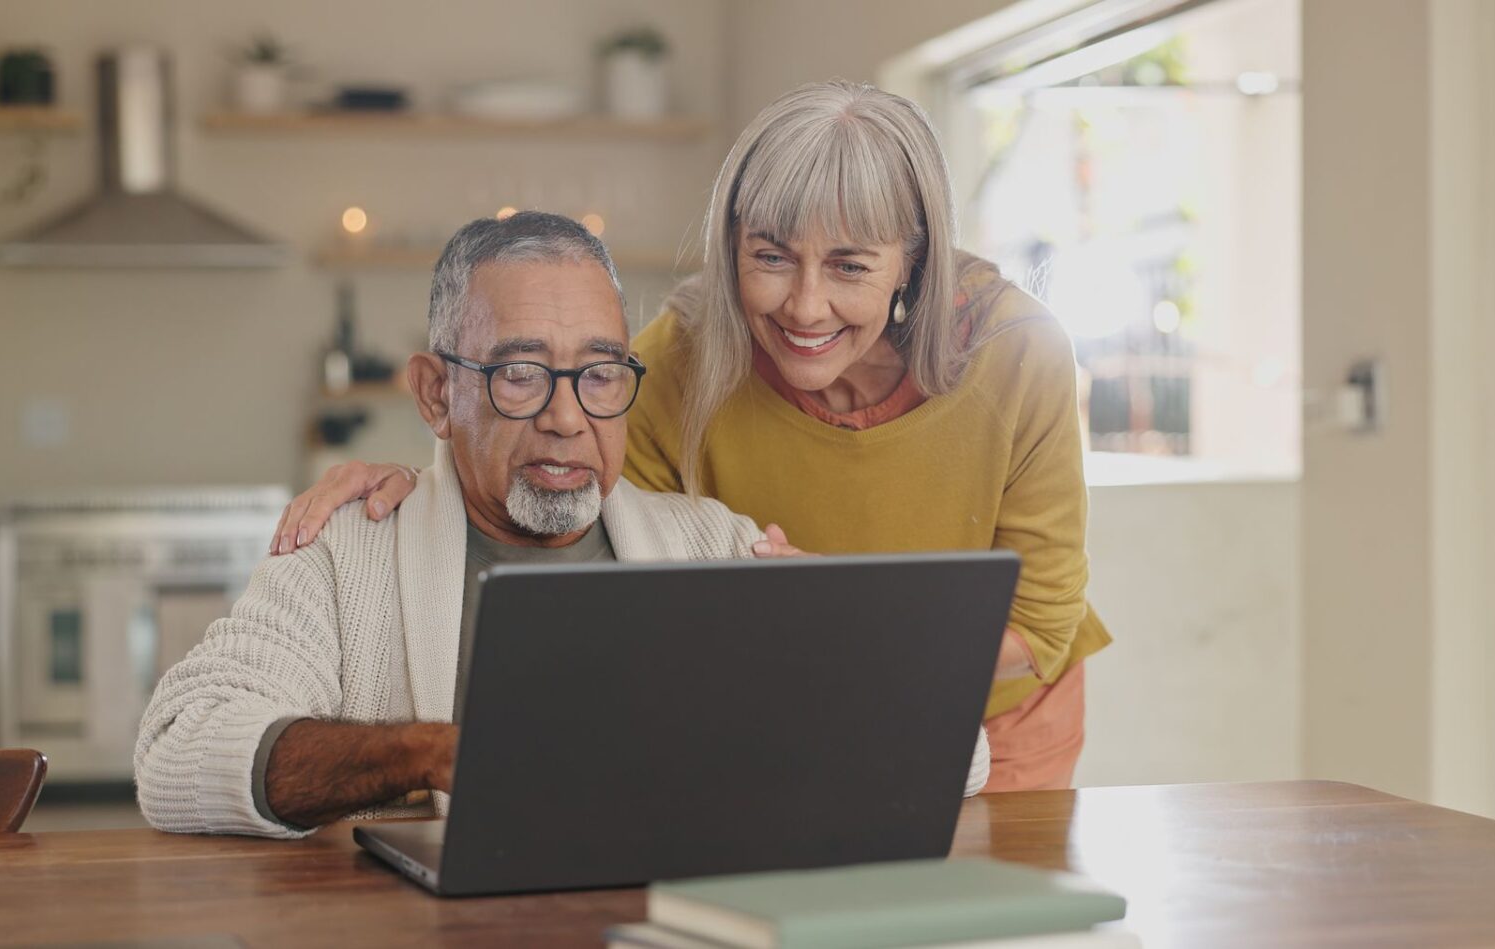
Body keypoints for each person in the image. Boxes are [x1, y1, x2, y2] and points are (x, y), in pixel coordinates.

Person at [269, 81, 1113, 794]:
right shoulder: (675, 361)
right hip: (806, 699)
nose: (805, 307)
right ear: (731, 243)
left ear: (913, 263)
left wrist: (852, 616)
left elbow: (1039, 624)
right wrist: (432, 475)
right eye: (771, 257)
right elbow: (561, 485)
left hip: (1000, 715)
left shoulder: (1018, 354)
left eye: (851, 266)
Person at [135, 211, 992, 838]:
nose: (567, 418)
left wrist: (844, 648)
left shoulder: (712, 547)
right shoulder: (346, 551)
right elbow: (176, 754)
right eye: (519, 375)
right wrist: (429, 752)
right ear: (439, 393)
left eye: (600, 374)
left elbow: (968, 758)